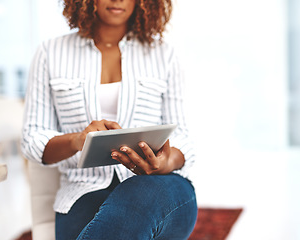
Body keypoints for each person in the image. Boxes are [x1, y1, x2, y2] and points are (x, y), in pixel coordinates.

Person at [20, 0, 197, 239]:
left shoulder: (164, 55)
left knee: (141, 193)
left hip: (160, 187)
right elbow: (32, 140)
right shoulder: (50, 53)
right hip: (83, 192)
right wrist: (77, 140)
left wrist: (165, 163)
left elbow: (183, 139)